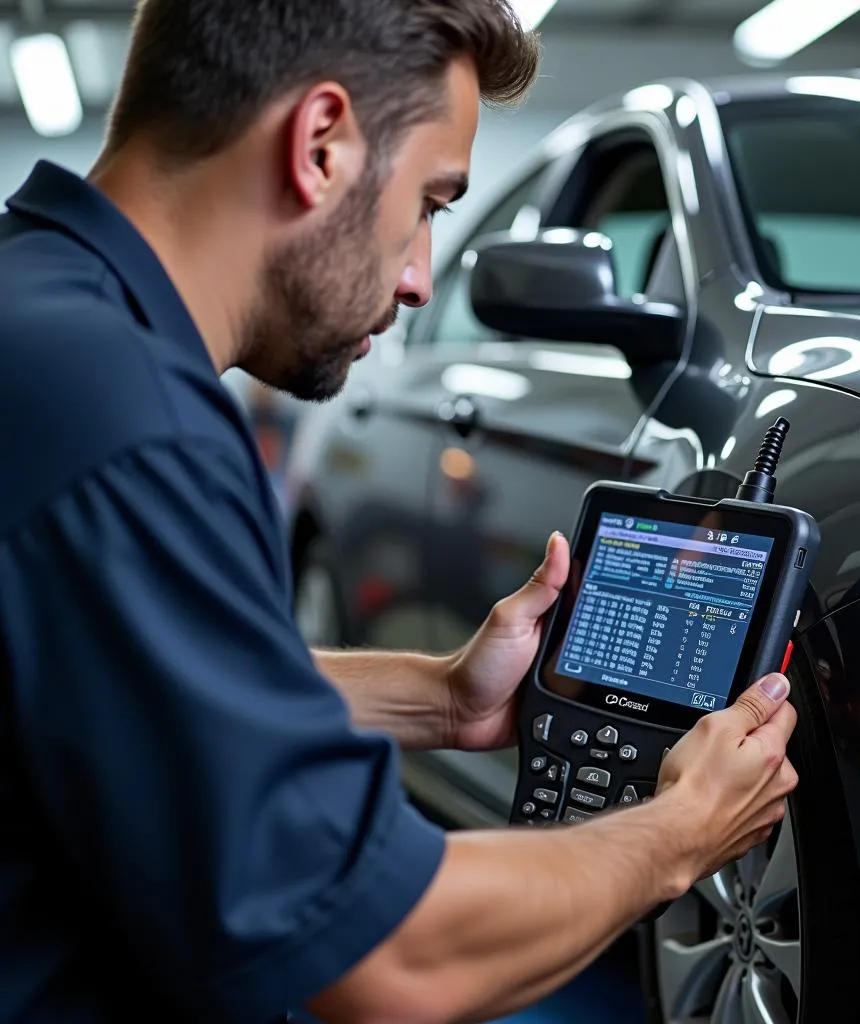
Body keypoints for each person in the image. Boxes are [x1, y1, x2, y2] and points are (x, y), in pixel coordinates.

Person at [0, 1, 799, 1021]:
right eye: (428, 201)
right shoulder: (132, 420)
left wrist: (441, 698)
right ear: (320, 142)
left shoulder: (40, 319)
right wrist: (680, 832)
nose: (422, 277)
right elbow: (386, 959)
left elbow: (114, 688)